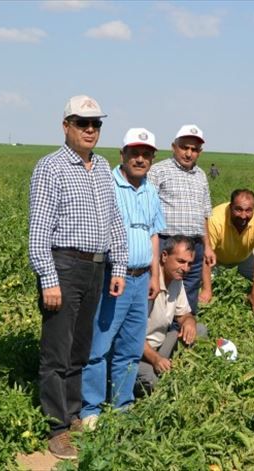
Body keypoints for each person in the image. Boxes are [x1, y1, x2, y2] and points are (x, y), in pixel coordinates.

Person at [28, 95, 127, 459]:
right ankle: (56, 427)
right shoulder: (51, 167)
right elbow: (38, 230)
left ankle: (72, 417)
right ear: (65, 125)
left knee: (79, 349)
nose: (90, 130)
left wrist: (117, 267)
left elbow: (115, 222)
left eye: (96, 124)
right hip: (65, 266)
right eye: (82, 122)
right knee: (58, 349)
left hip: (96, 267)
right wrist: (48, 278)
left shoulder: (101, 166)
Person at [80, 128, 165, 430]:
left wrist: (156, 275)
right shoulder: (107, 184)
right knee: (99, 347)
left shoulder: (151, 190)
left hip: (141, 279)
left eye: (146, 154)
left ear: (152, 159)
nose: (140, 159)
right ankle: (90, 409)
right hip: (112, 278)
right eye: (134, 153)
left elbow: (154, 234)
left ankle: (122, 406)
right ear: (123, 155)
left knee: (129, 349)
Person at [148, 124, 215, 315]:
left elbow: (205, 213)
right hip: (166, 242)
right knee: (161, 288)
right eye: (184, 147)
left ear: (199, 152)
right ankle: (157, 333)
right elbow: (148, 209)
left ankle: (183, 331)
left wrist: (208, 246)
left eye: (194, 149)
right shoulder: (158, 171)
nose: (189, 153)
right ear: (174, 146)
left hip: (195, 244)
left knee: (190, 288)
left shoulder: (201, 175)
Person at [136, 236, 207, 395]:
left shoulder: (176, 280)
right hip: (137, 352)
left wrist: (189, 322)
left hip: (160, 346)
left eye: (189, 264)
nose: (186, 268)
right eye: (181, 261)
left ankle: (184, 374)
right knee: (152, 380)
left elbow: (184, 314)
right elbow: (132, 335)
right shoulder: (148, 283)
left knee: (199, 330)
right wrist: (155, 360)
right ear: (164, 256)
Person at [199, 189, 254, 313]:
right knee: (198, 286)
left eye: (248, 210)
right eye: (238, 209)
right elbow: (206, 257)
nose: (243, 215)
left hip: (245, 257)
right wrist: (207, 290)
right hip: (216, 259)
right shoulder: (215, 218)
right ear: (230, 207)